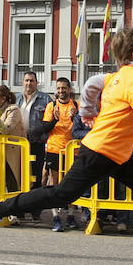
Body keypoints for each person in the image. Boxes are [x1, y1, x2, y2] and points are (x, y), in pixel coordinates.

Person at [0, 22, 133, 265]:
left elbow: (91, 84)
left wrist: (88, 111)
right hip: (101, 151)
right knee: (61, 194)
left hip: (119, 154)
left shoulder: (118, 76)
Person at [37, 78, 80, 231]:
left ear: (69, 89)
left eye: (64, 88)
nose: (61, 91)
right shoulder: (51, 106)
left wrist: (75, 117)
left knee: (71, 183)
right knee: (53, 181)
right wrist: (54, 119)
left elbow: (81, 127)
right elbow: (44, 128)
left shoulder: (76, 106)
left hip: (72, 149)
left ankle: (71, 215)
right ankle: (55, 217)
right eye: (58, 88)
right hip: (54, 148)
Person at [17, 71, 49, 194]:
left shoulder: (45, 99)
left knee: (36, 175)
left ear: (36, 83)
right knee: (20, 174)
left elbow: (50, 121)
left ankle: (35, 208)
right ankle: (19, 205)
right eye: (26, 80)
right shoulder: (16, 98)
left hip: (37, 142)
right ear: (22, 82)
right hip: (19, 142)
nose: (29, 83)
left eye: (31, 80)